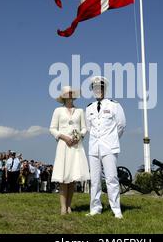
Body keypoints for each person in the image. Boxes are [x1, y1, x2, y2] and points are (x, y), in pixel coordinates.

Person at [85, 76, 126, 219]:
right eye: (95, 88)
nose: (98, 90)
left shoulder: (114, 105)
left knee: (111, 178)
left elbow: (121, 125)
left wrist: (111, 138)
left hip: (109, 147)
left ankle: (116, 209)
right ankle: (95, 208)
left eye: (100, 88)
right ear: (92, 90)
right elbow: (89, 127)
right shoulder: (89, 108)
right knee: (95, 180)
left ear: (104, 89)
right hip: (94, 148)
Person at [49, 86, 90, 215]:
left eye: (71, 93)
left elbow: (84, 128)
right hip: (63, 145)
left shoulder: (80, 111)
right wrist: (63, 137)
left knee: (73, 177)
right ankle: (62, 207)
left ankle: (69, 206)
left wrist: (79, 136)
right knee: (63, 178)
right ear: (63, 96)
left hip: (76, 147)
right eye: (67, 93)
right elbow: (52, 128)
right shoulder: (58, 111)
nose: (70, 95)